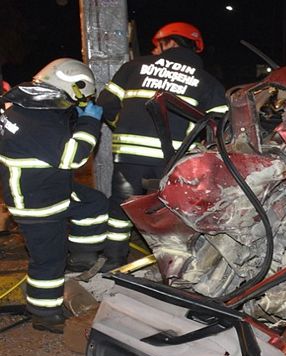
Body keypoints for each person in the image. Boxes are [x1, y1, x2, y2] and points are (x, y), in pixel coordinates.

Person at [96, 22, 227, 268]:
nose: (155, 50)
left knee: (121, 210)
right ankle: (174, 266)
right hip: (173, 159)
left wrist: (122, 126)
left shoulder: (133, 67)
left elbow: (107, 105)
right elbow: (220, 122)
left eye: (159, 44)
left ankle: (112, 262)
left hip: (129, 155)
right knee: (172, 211)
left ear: (171, 43)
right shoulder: (206, 81)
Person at [0, 59, 107, 332]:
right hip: (37, 203)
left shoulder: (25, 106)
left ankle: (81, 257)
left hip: (46, 187)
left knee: (93, 204)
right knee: (47, 262)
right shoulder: (39, 119)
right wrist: (89, 123)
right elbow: (73, 157)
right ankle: (44, 313)